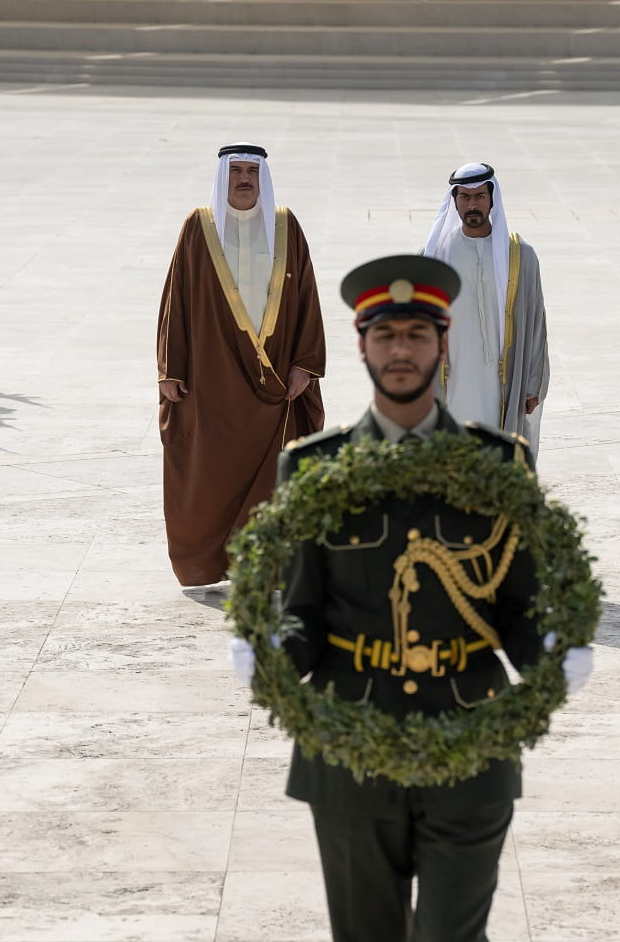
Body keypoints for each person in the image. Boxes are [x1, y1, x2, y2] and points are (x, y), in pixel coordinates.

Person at [231, 252, 591, 942]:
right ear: (362, 346)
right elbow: (304, 614)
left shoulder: (498, 464)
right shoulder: (313, 466)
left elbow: (515, 608)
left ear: (443, 345)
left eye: (417, 335)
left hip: (471, 740)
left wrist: (551, 648)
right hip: (350, 749)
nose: (401, 350)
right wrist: (270, 648)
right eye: (386, 335)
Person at [156, 144, 326, 587]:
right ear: (223, 177)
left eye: (252, 171)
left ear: (263, 177)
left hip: (277, 375)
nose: (245, 179)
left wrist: (305, 364)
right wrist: (172, 368)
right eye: (237, 171)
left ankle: (268, 566)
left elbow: (307, 296)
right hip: (213, 374)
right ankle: (210, 562)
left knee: (275, 472)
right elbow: (177, 298)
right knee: (211, 475)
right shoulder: (199, 227)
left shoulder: (285, 226)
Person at [419, 163, 548, 447]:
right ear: (454, 200)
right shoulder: (435, 256)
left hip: (502, 380)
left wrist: (533, 384)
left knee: (498, 450)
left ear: (492, 199)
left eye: (480, 196)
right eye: (465, 197)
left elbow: (536, 323)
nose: (472, 205)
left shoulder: (520, 257)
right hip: (452, 377)